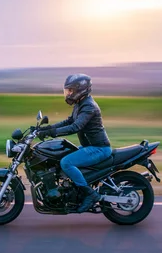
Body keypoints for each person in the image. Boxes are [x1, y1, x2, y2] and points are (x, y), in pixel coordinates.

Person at [37, 73, 112, 213]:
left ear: (81, 89)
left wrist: (51, 133)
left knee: (66, 162)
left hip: (99, 148)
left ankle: (90, 195)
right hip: (89, 147)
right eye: (68, 90)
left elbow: (75, 127)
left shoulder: (89, 106)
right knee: (62, 157)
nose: (69, 93)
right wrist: (48, 128)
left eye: (71, 90)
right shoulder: (81, 103)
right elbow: (69, 121)